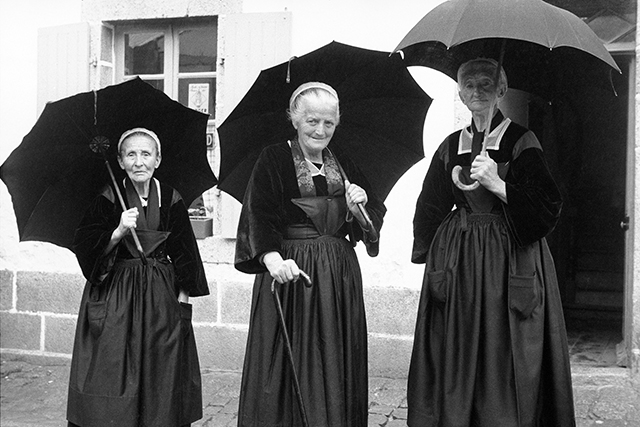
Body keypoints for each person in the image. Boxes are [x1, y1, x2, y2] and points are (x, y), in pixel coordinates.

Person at [407, 58, 576, 427]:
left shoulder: (521, 140)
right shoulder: (451, 146)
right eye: (469, 85)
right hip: (462, 260)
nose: (477, 91)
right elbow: (430, 206)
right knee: (461, 347)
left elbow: (549, 207)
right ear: (460, 93)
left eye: (486, 83)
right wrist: (432, 260)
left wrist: (498, 184)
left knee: (505, 347)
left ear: (501, 91)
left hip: (509, 255)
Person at [234, 82, 386, 426]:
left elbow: (372, 224)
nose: (320, 130)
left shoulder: (343, 162)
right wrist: (272, 260)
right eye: (312, 121)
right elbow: (258, 215)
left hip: (338, 278)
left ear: (337, 123)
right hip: (293, 274)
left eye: (328, 123)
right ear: (294, 119)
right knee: (289, 364)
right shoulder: (273, 158)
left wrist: (360, 209)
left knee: (335, 357)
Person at [67, 128, 209, 427]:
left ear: (157, 159)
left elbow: (185, 251)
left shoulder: (170, 197)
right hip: (117, 298)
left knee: (162, 370)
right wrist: (117, 232)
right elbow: (86, 249)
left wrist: (181, 303)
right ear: (120, 161)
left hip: (161, 299)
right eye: (131, 154)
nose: (139, 161)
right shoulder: (107, 198)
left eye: (146, 154)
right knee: (115, 368)